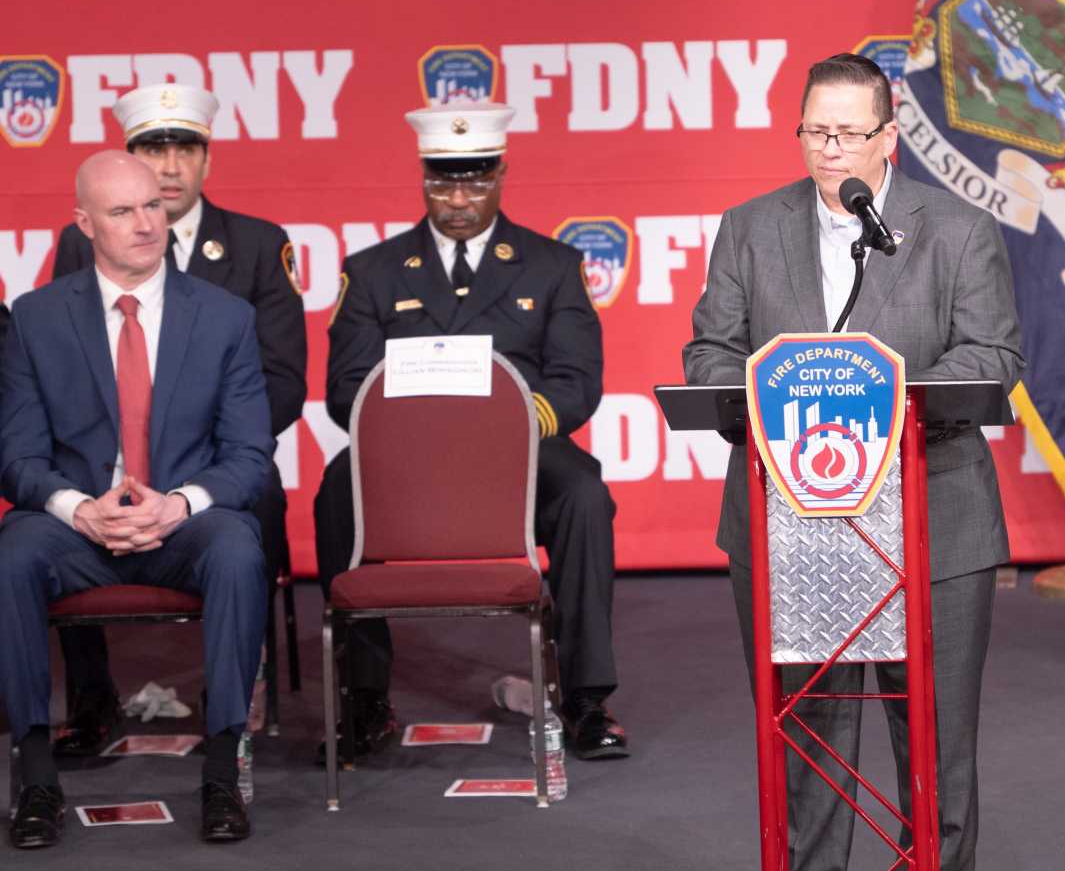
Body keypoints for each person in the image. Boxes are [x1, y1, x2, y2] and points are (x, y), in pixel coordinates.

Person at [683, 54, 1024, 871]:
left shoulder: (957, 229)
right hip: (790, 527)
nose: (829, 149)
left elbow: (991, 356)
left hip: (933, 516)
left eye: (847, 133)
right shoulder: (750, 227)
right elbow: (709, 356)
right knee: (810, 750)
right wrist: (780, 391)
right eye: (814, 131)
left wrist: (876, 398)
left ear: (889, 137)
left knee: (936, 750)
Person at [313, 102, 628, 760]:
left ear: (502, 174)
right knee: (338, 486)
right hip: (403, 462)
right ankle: (362, 698)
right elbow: (346, 389)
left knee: (585, 495)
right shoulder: (371, 271)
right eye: (442, 181)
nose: (458, 197)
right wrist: (417, 434)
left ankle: (586, 697)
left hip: (521, 456)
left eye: (476, 180)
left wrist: (508, 428)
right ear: (423, 177)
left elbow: (575, 381)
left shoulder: (552, 265)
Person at [0, 151, 273, 846]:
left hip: (181, 525)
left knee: (240, 546)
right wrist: (77, 507)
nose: (146, 223)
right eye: (122, 211)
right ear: (83, 222)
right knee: (14, 551)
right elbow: (17, 457)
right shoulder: (34, 319)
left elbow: (249, 457)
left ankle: (222, 769)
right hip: (78, 527)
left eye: (153, 205)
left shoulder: (225, 317)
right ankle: (34, 775)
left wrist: (179, 503)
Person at [50, 83, 306, 757]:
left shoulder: (256, 245)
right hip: (110, 463)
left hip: (216, 461)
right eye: (152, 150)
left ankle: (243, 671)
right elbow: (64, 372)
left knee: (260, 500)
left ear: (208, 160)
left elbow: (283, 378)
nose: (169, 166)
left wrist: (201, 469)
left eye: (184, 148)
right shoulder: (78, 246)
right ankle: (91, 697)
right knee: (58, 504)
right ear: (128, 161)